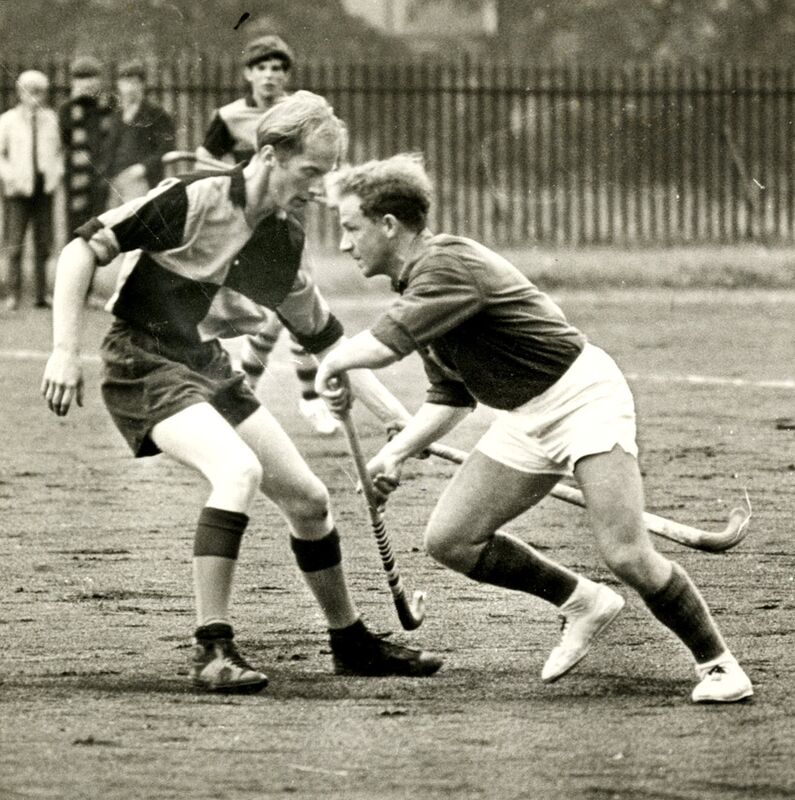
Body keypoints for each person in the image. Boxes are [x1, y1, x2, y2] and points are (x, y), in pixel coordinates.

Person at [315, 154, 753, 704]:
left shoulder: (446, 266)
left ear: (388, 225)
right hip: (527, 417)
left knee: (625, 553)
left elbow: (382, 344)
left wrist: (332, 363)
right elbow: (452, 397)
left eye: (350, 227)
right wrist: (396, 453)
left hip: (583, 400)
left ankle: (720, 666)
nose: (343, 244)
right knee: (451, 540)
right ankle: (583, 602)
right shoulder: (417, 288)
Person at [41, 94, 443, 693]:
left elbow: (327, 340)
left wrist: (398, 422)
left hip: (205, 365)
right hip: (141, 363)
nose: (316, 190)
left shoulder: (280, 237)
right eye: (309, 173)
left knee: (309, 500)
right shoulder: (194, 197)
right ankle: (212, 649)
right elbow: (80, 249)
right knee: (237, 471)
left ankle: (350, 642)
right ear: (268, 156)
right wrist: (63, 350)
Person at [197, 34, 340, 436]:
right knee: (270, 315)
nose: (270, 76)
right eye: (262, 68)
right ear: (248, 74)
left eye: (278, 69)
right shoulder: (227, 117)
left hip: (290, 225)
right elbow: (208, 164)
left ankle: (298, 397)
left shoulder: (299, 114)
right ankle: (280, 395)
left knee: (295, 312)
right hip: (245, 229)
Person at [0, 70, 63, 310]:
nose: (34, 97)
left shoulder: (51, 120)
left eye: (39, 92)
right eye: (29, 92)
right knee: (15, 242)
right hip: (18, 190)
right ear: (20, 94)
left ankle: (40, 294)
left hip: (43, 189)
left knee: (43, 243)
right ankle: (11, 294)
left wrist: (55, 176)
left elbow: (58, 153)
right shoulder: (7, 120)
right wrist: (10, 177)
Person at [57, 55, 115, 308]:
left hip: (100, 180)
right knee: (74, 234)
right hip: (75, 182)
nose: (86, 84)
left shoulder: (109, 106)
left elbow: (113, 140)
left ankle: (88, 290)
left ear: (99, 80)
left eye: (91, 78)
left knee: (96, 233)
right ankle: (72, 291)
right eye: (80, 78)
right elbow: (63, 144)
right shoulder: (67, 110)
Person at [104, 59, 175, 205]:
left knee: (136, 221)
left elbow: (166, 147)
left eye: (134, 83)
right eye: (125, 83)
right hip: (116, 180)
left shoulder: (155, 113)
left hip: (141, 179)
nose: (130, 88)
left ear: (142, 85)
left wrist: (143, 168)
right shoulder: (117, 114)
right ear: (119, 85)